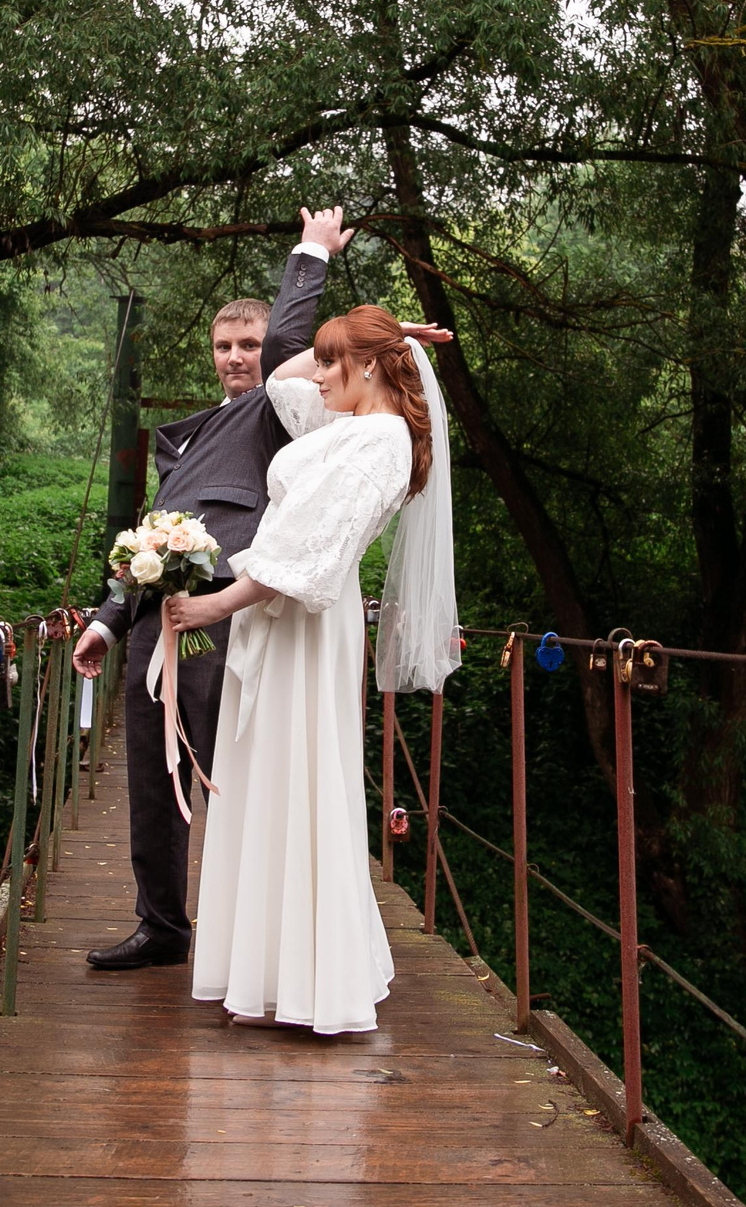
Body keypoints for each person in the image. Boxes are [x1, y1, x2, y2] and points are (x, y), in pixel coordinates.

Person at [163, 305, 459, 1033]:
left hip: (302, 619)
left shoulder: (384, 441)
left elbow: (310, 548)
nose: (318, 372)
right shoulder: (346, 424)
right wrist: (392, 345)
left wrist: (213, 606)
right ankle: (267, 971)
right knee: (268, 779)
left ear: (365, 369)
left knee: (299, 777)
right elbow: (281, 382)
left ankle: (311, 983)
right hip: (283, 617)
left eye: (334, 360)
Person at [69, 207, 348, 971]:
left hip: (224, 618)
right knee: (151, 780)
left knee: (230, 772)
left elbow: (298, 344)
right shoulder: (186, 436)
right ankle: (162, 924)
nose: (237, 358)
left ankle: (250, 935)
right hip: (156, 617)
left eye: (249, 345)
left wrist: (309, 256)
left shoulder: (278, 415)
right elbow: (155, 540)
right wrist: (106, 620)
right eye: (226, 346)